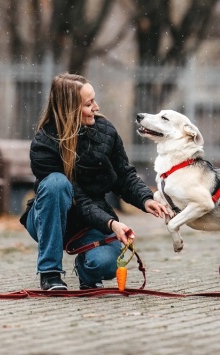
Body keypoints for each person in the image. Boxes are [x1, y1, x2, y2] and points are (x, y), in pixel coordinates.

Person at [20, 73, 168, 291]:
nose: (97, 107)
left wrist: (146, 199)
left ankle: (86, 268)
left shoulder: (105, 131)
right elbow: (76, 197)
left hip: (90, 221)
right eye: (88, 104)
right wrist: (111, 223)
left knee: (107, 264)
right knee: (56, 184)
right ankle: (50, 273)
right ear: (69, 108)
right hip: (48, 218)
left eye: (94, 101)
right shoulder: (45, 143)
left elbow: (124, 174)